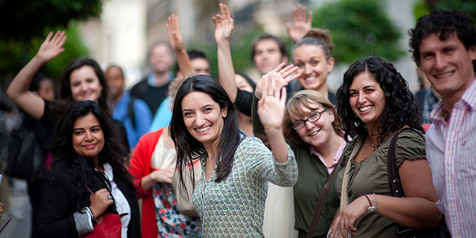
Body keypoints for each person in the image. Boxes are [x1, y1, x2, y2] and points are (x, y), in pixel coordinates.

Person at [169, 72, 298, 236]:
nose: (199, 121)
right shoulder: (204, 157)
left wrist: (274, 131)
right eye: (189, 114)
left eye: (207, 110)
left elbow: (288, 176)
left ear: (223, 110)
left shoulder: (246, 149)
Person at [328, 56, 441, 237]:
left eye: (369, 90)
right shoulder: (355, 145)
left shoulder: (405, 141)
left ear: (388, 93)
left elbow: (432, 212)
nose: (361, 99)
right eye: (354, 93)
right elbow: (351, 199)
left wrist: (371, 201)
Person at [408, 9, 476, 237]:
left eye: (449, 50)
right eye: (428, 55)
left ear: (472, 50)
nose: (439, 63)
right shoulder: (434, 133)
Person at [6, 31, 129, 153]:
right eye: (76, 84)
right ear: (69, 89)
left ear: (101, 85)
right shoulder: (57, 115)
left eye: (89, 81)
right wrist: (39, 59)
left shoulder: (116, 127)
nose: (84, 88)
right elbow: (15, 92)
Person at [35, 101, 140, 237]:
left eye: (95, 129)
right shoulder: (63, 177)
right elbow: (44, 232)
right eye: (79, 132)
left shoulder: (115, 169)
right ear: (69, 138)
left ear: (104, 132)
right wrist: (90, 213)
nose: (89, 138)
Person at [253, 87, 346, 237]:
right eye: (299, 123)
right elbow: (264, 134)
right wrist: (260, 95)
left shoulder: (357, 151)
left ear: (330, 114)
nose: (309, 126)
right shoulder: (296, 153)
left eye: (314, 115)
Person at [105, 65, 152, 151]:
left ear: (123, 80)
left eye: (116, 78)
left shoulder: (138, 107)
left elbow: (146, 142)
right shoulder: (102, 107)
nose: (111, 83)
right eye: (107, 79)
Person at [130, 41, 175, 115]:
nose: (160, 58)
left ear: (171, 58)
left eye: (164, 54)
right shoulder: (138, 89)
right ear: (150, 59)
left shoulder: (180, 85)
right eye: (155, 55)